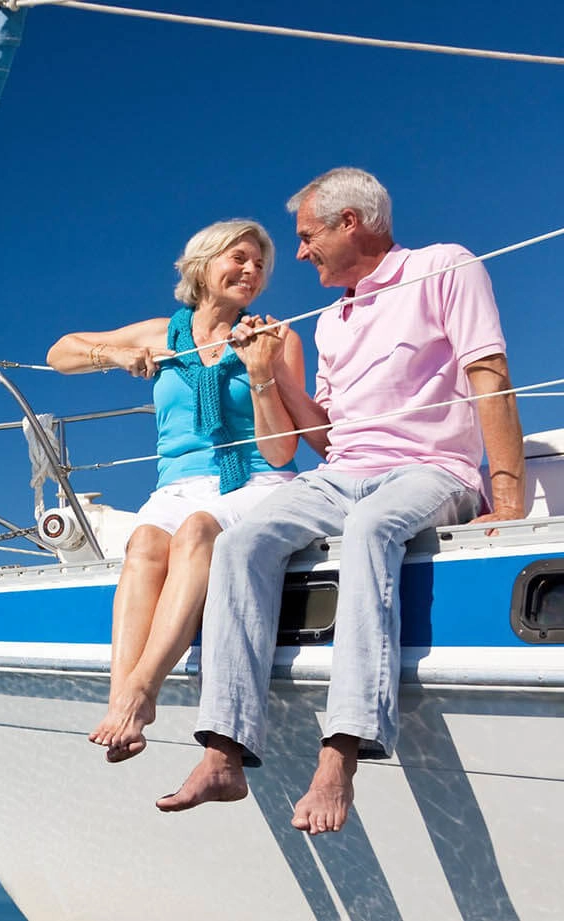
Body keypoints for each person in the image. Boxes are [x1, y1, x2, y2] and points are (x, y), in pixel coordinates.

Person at [158, 168, 526, 834]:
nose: (297, 254)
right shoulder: (332, 321)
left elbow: (488, 372)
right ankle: (224, 751)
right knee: (240, 542)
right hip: (345, 471)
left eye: (305, 237)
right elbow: (326, 437)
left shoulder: (443, 266)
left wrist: (506, 498)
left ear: (349, 222)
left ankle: (341, 753)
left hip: (430, 467)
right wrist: (265, 372)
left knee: (371, 528)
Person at [47, 218, 306, 762]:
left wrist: (259, 371)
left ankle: (141, 693)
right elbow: (60, 353)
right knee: (143, 546)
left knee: (196, 532)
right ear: (202, 266)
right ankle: (121, 698)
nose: (251, 270)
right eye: (238, 258)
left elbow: (283, 452)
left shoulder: (277, 338)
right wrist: (114, 357)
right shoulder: (160, 332)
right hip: (178, 483)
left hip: (255, 477)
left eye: (259, 264)